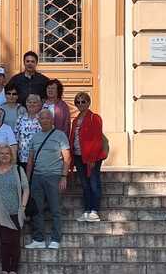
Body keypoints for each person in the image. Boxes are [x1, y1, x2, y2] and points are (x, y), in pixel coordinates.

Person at [25, 109, 71, 249]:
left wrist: (64, 177)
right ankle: (38, 239)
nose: (44, 120)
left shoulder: (60, 135)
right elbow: (30, 160)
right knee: (36, 209)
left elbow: (67, 158)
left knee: (55, 209)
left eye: (46, 118)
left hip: (54, 176)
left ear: (51, 120)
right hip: (37, 177)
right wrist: (27, 180)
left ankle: (55, 239)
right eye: (41, 118)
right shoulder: (35, 137)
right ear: (38, 121)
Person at [0, 145, 29, 274]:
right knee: (4, 242)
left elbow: (26, 189)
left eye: (7, 154)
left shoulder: (18, 169)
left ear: (11, 156)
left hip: (16, 212)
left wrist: (22, 207)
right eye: (1, 154)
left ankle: (13, 270)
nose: (4, 156)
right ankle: (4, 270)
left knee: (15, 242)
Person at [70, 92, 106, 223]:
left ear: (88, 102)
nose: (80, 104)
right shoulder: (76, 119)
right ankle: (86, 210)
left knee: (94, 183)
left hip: (91, 157)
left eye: (83, 101)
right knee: (85, 184)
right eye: (78, 102)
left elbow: (97, 139)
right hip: (79, 156)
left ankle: (94, 210)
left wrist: (92, 158)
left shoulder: (94, 118)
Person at [15, 94, 43, 169]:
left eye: (34, 102)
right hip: (23, 157)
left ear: (39, 104)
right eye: (29, 102)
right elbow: (16, 138)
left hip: (38, 157)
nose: (32, 104)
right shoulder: (20, 118)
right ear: (26, 103)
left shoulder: (43, 118)